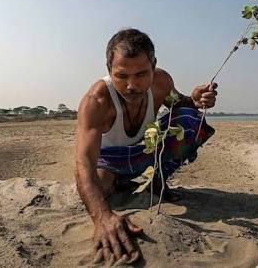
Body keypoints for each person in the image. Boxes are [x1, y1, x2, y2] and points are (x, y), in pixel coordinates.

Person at [75, 28, 217, 265]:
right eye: (121, 76)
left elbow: (177, 102)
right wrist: (102, 218)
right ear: (109, 69)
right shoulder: (96, 101)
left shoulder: (161, 82)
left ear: (154, 65)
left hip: (145, 151)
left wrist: (194, 99)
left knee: (191, 117)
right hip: (109, 160)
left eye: (141, 74)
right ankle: (120, 182)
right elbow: (84, 162)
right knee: (101, 188)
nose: (132, 85)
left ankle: (157, 180)